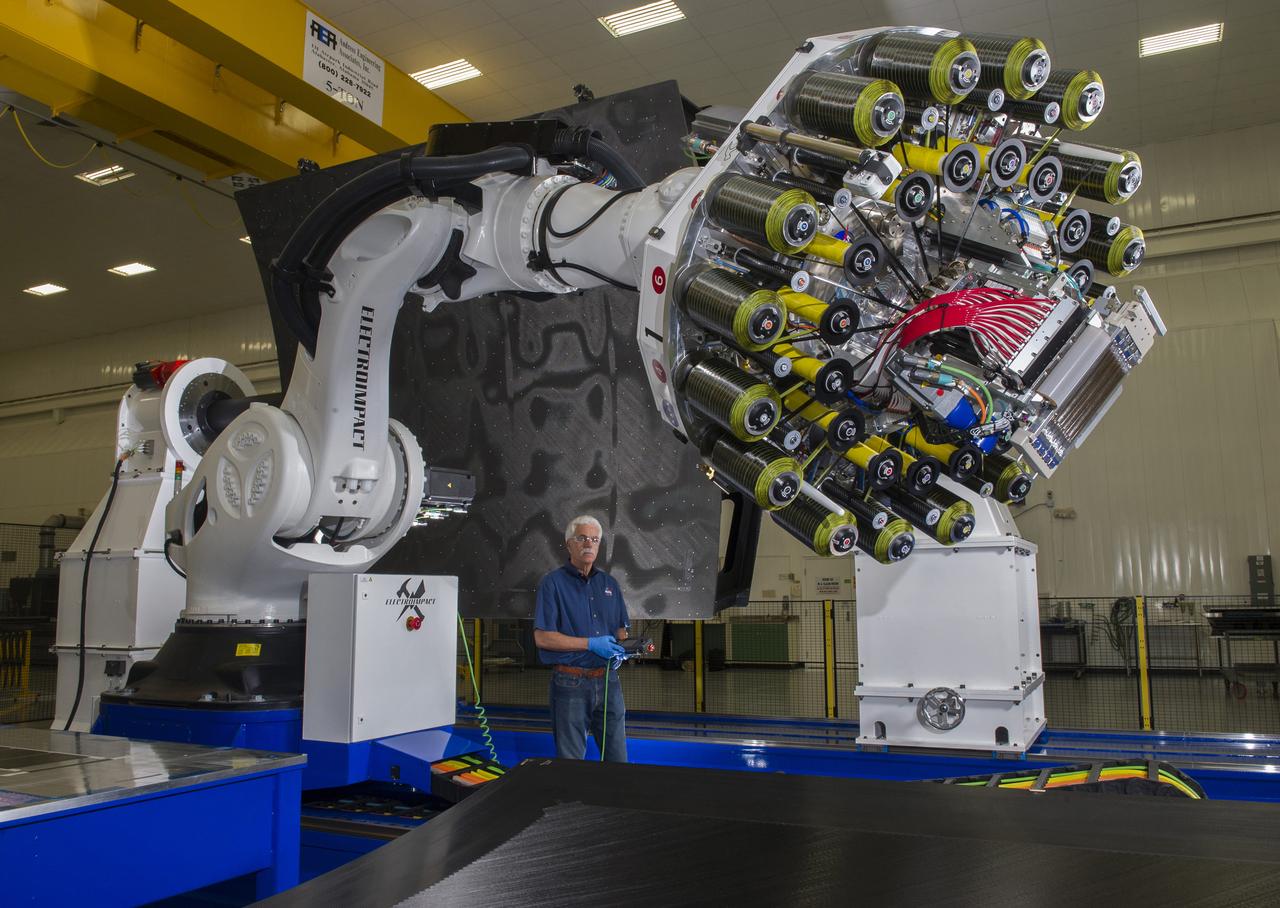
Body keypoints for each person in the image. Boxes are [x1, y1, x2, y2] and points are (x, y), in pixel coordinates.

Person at [533, 515, 630, 761]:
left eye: (595, 539)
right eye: (582, 538)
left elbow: (621, 631)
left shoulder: (610, 584)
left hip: (608, 681)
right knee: (571, 762)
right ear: (569, 544)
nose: (589, 544)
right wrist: (590, 644)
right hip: (570, 683)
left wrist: (626, 647)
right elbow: (542, 638)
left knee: (618, 759)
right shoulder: (552, 584)